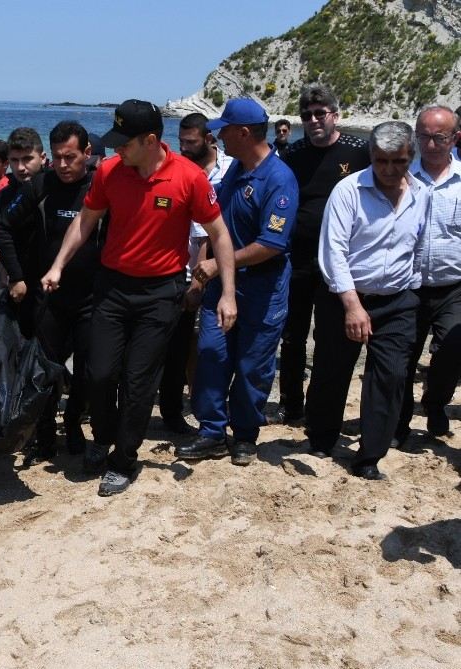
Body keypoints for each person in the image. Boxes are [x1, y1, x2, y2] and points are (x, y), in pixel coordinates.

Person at [41, 99, 237, 497]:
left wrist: (227, 294)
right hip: (112, 287)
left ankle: (123, 460)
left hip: (160, 292)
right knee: (97, 372)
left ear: (150, 140)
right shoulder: (111, 172)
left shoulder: (189, 178)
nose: (116, 150)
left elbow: (219, 234)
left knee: (137, 381)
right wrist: (58, 264)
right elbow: (85, 220)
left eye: (123, 143)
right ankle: (102, 436)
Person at [178, 98, 299, 467]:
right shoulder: (235, 171)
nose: (219, 135)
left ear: (243, 133)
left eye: (224, 129)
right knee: (212, 354)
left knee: (252, 364)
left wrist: (217, 265)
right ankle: (212, 431)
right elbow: (214, 225)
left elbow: (272, 244)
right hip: (222, 284)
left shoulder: (279, 179)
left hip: (262, 288)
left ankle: (245, 435)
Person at [305, 121, 426, 480]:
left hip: (397, 300)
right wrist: (352, 304)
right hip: (345, 297)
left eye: (399, 161)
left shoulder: (421, 193)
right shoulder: (348, 191)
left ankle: (370, 455)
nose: (389, 169)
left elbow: (419, 247)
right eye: (381, 161)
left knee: (390, 376)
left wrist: (412, 289)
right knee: (331, 369)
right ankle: (322, 439)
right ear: (371, 157)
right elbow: (333, 251)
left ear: (410, 157)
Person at [0, 121, 98, 463]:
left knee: (87, 370)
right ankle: (45, 434)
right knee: (46, 369)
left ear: (87, 153)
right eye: (57, 157)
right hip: (47, 296)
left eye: (71, 157)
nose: (64, 165)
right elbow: (2, 226)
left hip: (90, 296)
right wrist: (17, 276)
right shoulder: (42, 184)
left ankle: (73, 421)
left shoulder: (100, 186)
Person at [276, 84, 370, 424]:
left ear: (335, 114)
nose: (313, 120)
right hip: (298, 258)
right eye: (307, 115)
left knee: (330, 337)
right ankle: (290, 402)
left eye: (320, 113)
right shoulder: (293, 154)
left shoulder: (360, 151)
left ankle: (320, 404)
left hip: (343, 261)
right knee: (292, 335)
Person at [158, 113, 234, 435]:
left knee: (213, 346)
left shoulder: (230, 171)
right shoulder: (177, 169)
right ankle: (173, 412)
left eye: (192, 142)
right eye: (181, 141)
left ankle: (213, 408)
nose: (185, 148)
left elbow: (215, 230)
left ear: (209, 139)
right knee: (175, 346)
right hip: (182, 269)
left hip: (220, 270)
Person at [395, 105, 461, 442]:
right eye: (424, 136)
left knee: (452, 351)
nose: (431, 144)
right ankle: (399, 421)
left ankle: (435, 403)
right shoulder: (400, 178)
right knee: (403, 355)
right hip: (409, 283)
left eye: (439, 137)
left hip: (454, 286)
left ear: (455, 138)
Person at [0, 127, 49, 337]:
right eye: (15, 160)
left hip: (54, 281)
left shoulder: (55, 187)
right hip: (20, 283)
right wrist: (3, 272)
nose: (21, 167)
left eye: (28, 159)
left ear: (43, 157)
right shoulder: (4, 196)